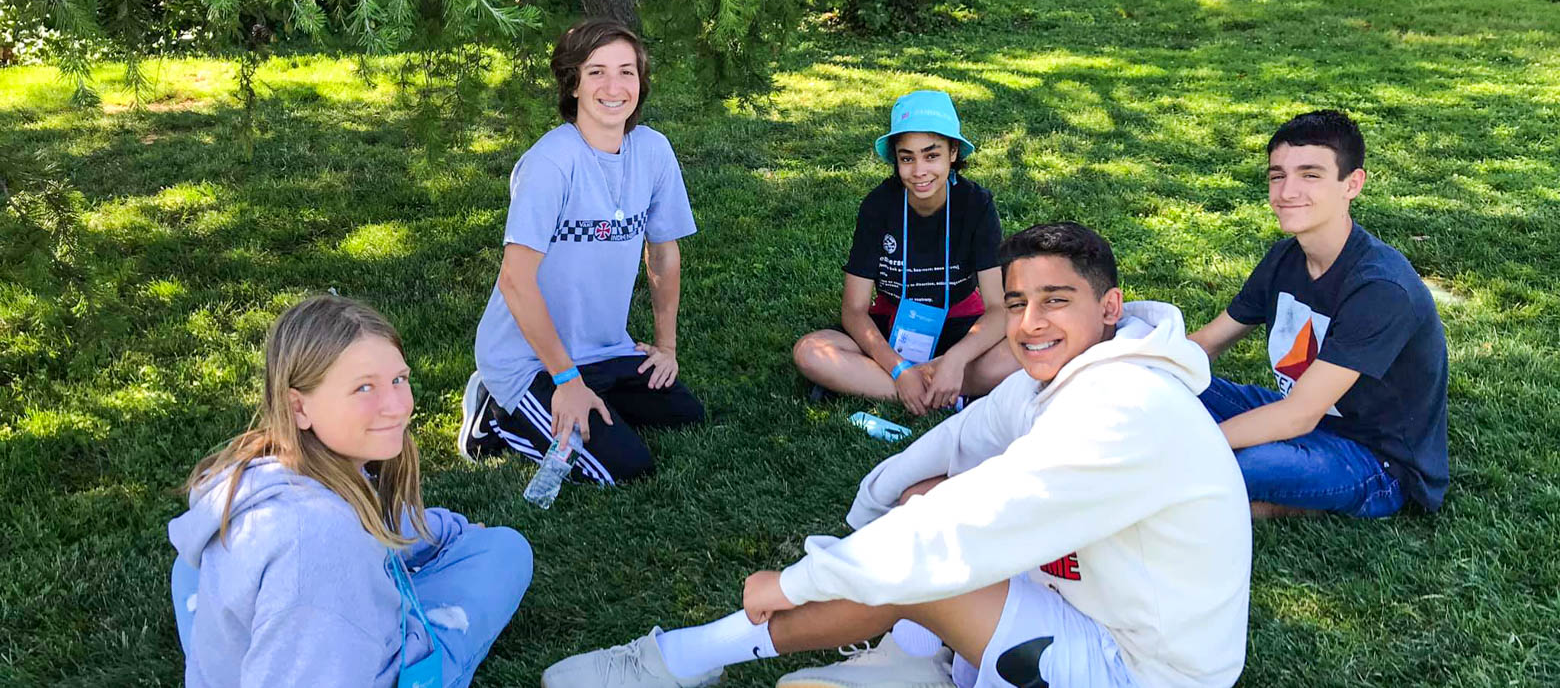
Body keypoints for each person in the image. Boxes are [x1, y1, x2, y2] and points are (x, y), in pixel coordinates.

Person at [543, 223, 1251, 688]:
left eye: (1056, 301)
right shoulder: (1076, 373)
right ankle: (911, 660)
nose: (1030, 325)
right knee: (924, 498)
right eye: (1018, 303)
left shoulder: (1125, 410)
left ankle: (684, 657)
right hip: (1088, 604)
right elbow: (958, 442)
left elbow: (965, 525)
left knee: (931, 556)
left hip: (1140, 668)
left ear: (1110, 307)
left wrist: (794, 583)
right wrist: (874, 511)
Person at [167, 294, 533, 687]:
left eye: (398, 380)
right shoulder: (320, 543)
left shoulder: (270, 474)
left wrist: (448, 529)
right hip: (346, 648)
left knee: (190, 569)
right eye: (364, 388)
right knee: (506, 552)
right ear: (298, 408)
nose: (396, 406)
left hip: (283, 632)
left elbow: (382, 519)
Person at [458, 19, 704, 483]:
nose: (614, 87)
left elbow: (664, 253)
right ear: (572, 84)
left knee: (683, 412)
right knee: (627, 467)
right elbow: (514, 280)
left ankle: (588, 392)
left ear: (641, 81)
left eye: (626, 72)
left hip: (600, 347)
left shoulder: (653, 151)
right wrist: (566, 381)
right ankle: (493, 415)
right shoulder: (550, 164)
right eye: (596, 73)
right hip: (528, 357)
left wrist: (666, 347)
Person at [1187, 110, 1449, 519]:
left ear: (1352, 184)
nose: (1287, 191)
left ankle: (1279, 501)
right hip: (1300, 417)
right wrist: (1142, 374)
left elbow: (1300, 414)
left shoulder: (1380, 287)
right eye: (1277, 175)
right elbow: (1206, 344)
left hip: (1374, 459)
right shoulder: (1285, 258)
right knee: (1171, 385)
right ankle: (1259, 497)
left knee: (1244, 466)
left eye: (1310, 175)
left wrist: (1195, 443)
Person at [792, 90, 1018, 416]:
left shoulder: (976, 204)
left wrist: (955, 359)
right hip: (893, 329)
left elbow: (998, 309)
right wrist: (899, 368)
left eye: (931, 155)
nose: (919, 171)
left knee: (1021, 349)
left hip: (962, 327)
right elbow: (854, 310)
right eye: (907, 158)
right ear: (896, 160)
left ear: (953, 152)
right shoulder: (878, 206)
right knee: (810, 352)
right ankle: (941, 393)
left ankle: (914, 383)